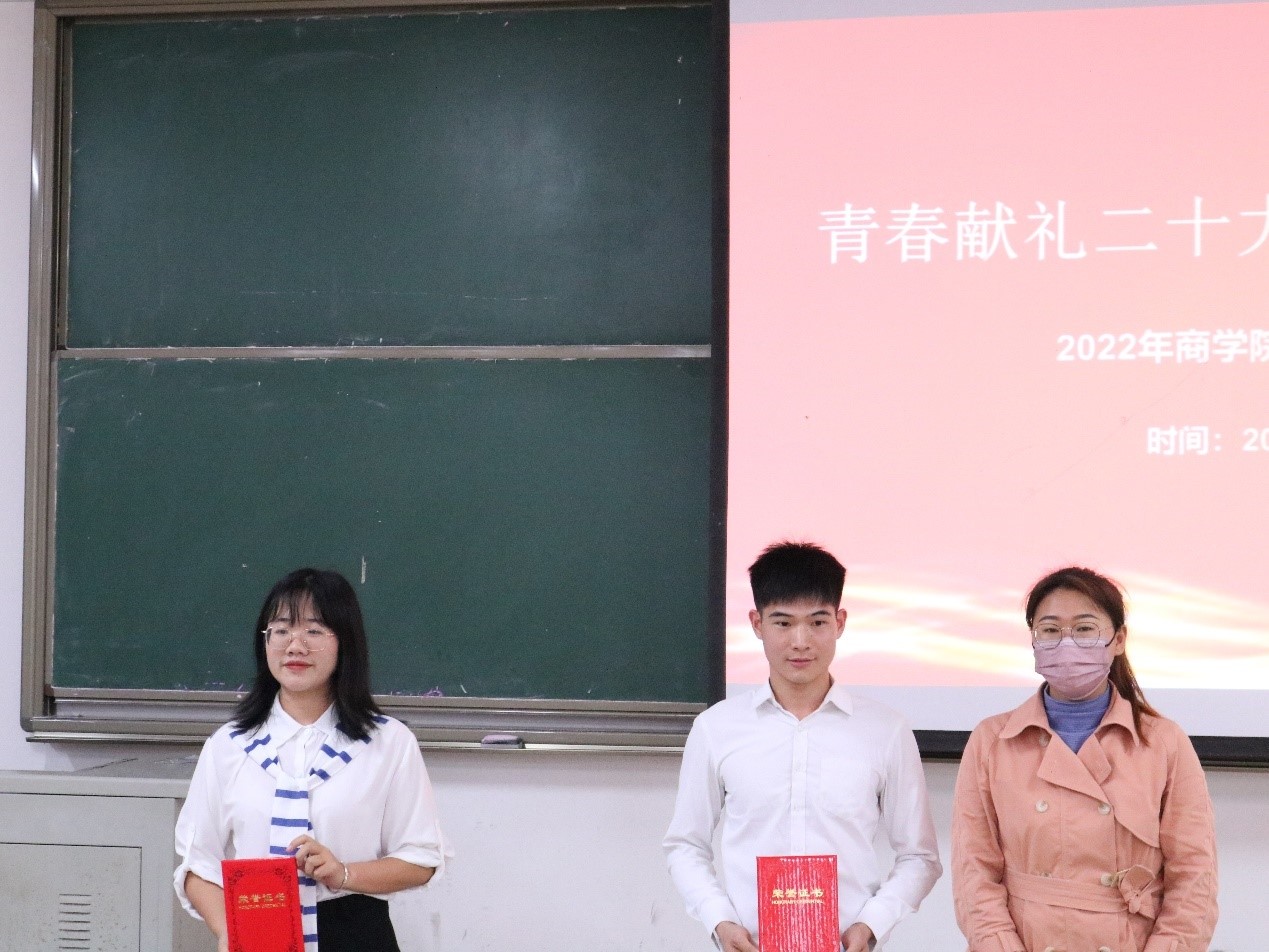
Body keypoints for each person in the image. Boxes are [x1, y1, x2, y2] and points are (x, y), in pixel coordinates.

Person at [664, 541, 942, 951]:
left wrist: (871, 925)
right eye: (782, 623)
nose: (800, 641)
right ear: (757, 624)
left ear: (840, 622)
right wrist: (719, 919)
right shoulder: (716, 729)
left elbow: (920, 857)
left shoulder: (885, 730)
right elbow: (685, 844)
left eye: (817, 622)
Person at [175, 568, 446, 952]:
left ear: (345, 643)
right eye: (281, 630)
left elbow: (421, 859)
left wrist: (343, 873)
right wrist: (230, 934)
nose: (295, 645)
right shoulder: (230, 745)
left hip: (355, 933)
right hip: (259, 931)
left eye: (314, 631)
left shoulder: (388, 742)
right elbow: (196, 865)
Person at [952, 566, 1218, 952]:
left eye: (1084, 628)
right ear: (1033, 640)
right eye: (1050, 630)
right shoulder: (992, 741)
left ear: (1118, 639)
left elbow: (1194, 876)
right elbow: (973, 873)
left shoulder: (1163, 742)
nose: (1067, 643)